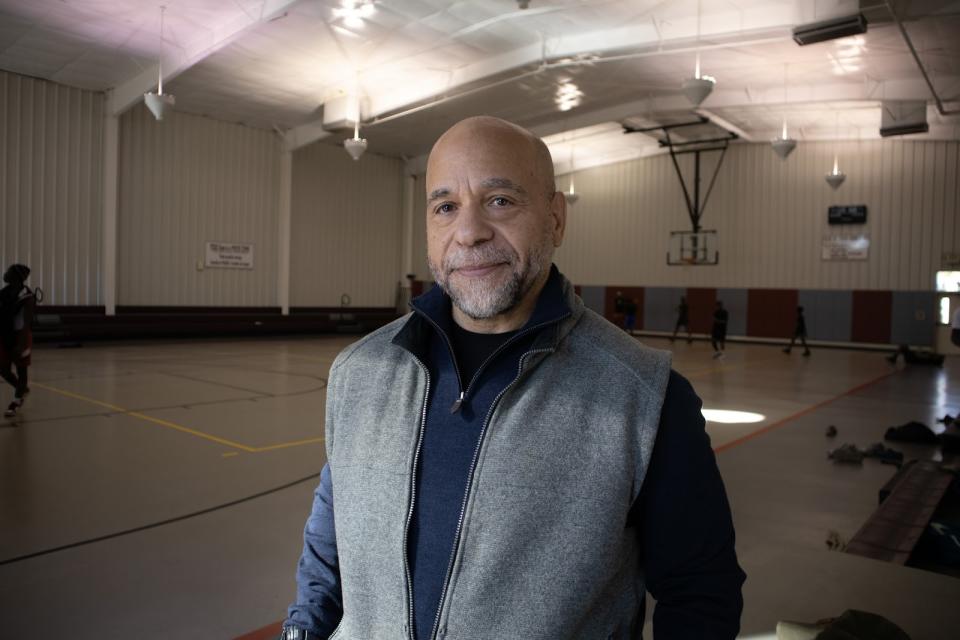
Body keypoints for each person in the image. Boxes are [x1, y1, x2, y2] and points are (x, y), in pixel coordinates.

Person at [279, 117, 745, 640]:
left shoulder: (645, 398)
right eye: (446, 206)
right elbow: (330, 534)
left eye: (500, 200)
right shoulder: (360, 373)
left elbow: (700, 595)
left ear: (556, 219)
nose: (470, 231)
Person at [0, 264, 35, 417]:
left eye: (9, 271)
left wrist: (21, 344)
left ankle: (16, 401)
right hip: (5, 335)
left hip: (21, 336)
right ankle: (22, 388)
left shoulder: (27, 296)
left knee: (22, 371)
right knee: (3, 370)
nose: (5, 273)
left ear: (17, 276)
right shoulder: (4, 292)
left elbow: (26, 322)